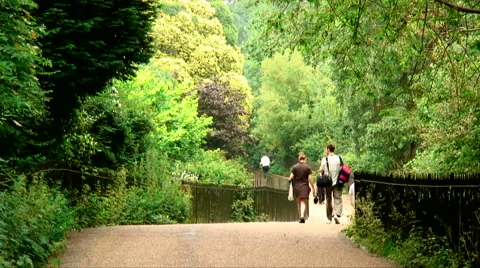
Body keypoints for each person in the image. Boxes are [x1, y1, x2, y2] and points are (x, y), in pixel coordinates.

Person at [289, 152, 316, 223]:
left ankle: (300, 216)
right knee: (303, 201)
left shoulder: (295, 167)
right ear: (305, 159)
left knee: (298, 202)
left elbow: (291, 177)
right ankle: (302, 216)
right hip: (304, 186)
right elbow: (310, 179)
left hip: (296, 186)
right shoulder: (308, 167)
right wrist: (313, 188)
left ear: (299, 159)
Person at [319, 144, 343, 224]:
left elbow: (321, 171)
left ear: (328, 149)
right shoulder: (339, 158)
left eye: (326, 149)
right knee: (337, 198)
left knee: (328, 199)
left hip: (327, 182)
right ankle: (336, 214)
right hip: (337, 182)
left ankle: (329, 218)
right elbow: (342, 169)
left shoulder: (324, 159)